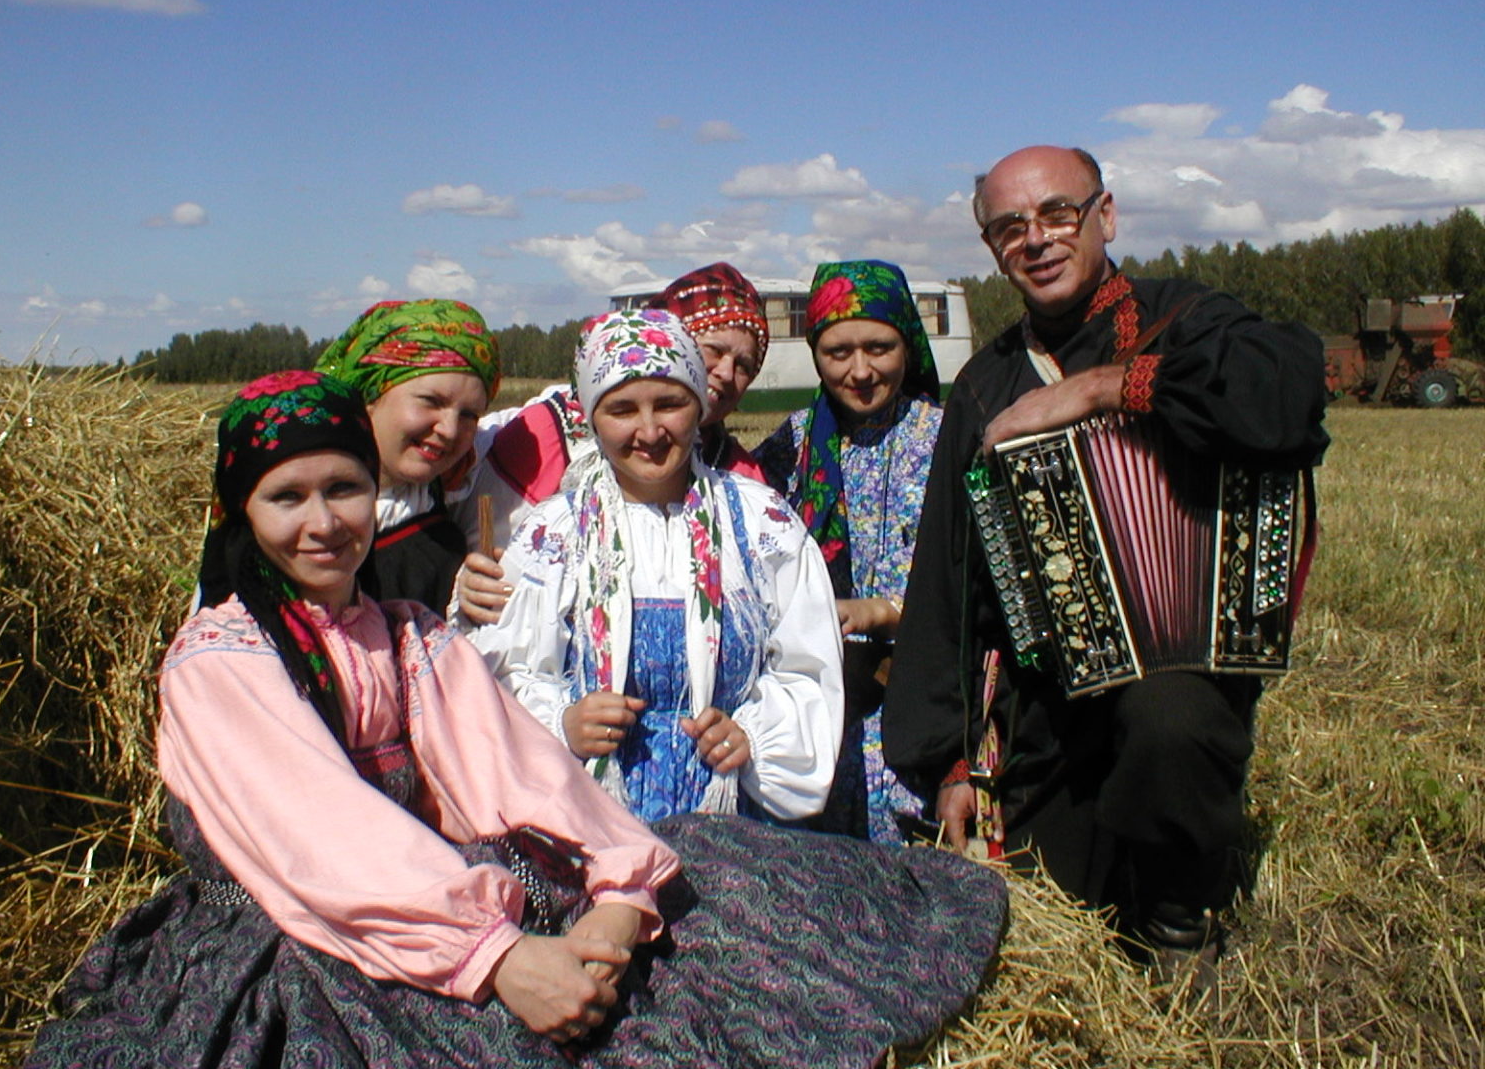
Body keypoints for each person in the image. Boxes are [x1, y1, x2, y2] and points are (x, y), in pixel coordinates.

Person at [28, 369, 1010, 1068]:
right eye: (287, 497)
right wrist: (499, 960)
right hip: (314, 916)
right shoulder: (221, 660)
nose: (324, 520)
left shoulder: (408, 630)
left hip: (448, 883)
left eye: (345, 488)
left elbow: (514, 770)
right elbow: (324, 842)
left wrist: (621, 891)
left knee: (729, 907)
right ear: (237, 512)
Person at [884, 146, 1328, 975]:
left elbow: (1289, 391)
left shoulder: (1188, 318)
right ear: (992, 249)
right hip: (1046, 705)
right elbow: (951, 583)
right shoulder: (985, 386)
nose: (1038, 240)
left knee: (1169, 724)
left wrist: (1101, 389)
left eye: (1059, 214)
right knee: (1036, 904)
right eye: (1010, 227)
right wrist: (949, 759)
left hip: (1179, 675)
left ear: (1106, 215)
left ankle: (1181, 924)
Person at [469, 308, 844, 823]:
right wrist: (562, 723)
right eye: (622, 409)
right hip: (590, 819)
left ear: (698, 404)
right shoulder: (555, 534)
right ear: (591, 416)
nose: (649, 431)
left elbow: (807, 663)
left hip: (734, 820)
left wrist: (752, 734)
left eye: (670, 404)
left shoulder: (762, 525)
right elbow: (506, 672)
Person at [456, 262, 769, 625]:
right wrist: (472, 583)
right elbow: (487, 551)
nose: (727, 374)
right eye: (714, 350)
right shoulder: (547, 435)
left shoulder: (738, 476)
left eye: (745, 365)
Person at [753, 260, 942, 845]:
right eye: (838, 352)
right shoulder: (791, 447)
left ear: (907, 342)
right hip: (822, 704)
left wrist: (883, 611)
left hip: (925, 701)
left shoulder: (949, 441)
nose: (860, 371)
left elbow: (981, 590)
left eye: (879, 347)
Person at [314, 297, 504, 615]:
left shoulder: (440, 504)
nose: (450, 429)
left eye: (469, 414)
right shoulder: (297, 516)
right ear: (369, 396)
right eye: (431, 401)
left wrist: (463, 596)